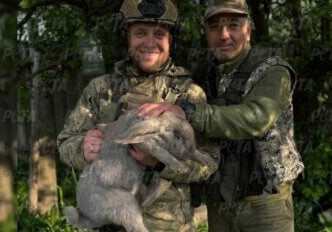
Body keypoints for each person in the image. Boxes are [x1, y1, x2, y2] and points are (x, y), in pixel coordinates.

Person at [137, 0, 305, 231]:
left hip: (265, 202)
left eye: (233, 25)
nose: (224, 35)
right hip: (220, 200)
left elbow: (255, 118)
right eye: (214, 26)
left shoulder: (272, 70)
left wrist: (189, 112)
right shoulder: (204, 73)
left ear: (249, 29)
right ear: (205, 32)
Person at [57, 0, 219, 231]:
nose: (150, 43)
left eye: (159, 34)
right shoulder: (101, 89)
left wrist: (160, 164)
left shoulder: (189, 94)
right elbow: (65, 142)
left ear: (170, 40)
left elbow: (209, 163)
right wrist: (81, 149)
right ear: (127, 37)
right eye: (140, 33)